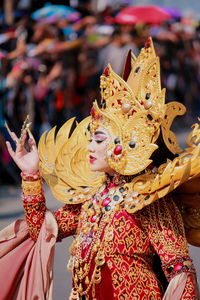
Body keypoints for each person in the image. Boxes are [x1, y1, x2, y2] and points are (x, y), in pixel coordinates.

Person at [1, 37, 200, 299]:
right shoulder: (91, 200)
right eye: (90, 139)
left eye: (98, 140)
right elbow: (42, 231)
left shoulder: (151, 201)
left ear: (124, 145)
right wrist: (30, 174)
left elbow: (180, 273)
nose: (89, 147)